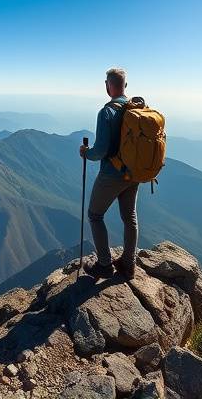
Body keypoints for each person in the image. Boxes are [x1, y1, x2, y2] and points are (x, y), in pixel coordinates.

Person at [79, 68, 138, 279]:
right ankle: (128, 264)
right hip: (134, 173)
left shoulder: (107, 112)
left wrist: (86, 153)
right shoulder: (135, 109)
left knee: (95, 215)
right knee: (129, 216)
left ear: (107, 85)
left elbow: (101, 150)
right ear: (125, 86)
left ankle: (104, 265)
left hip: (112, 175)